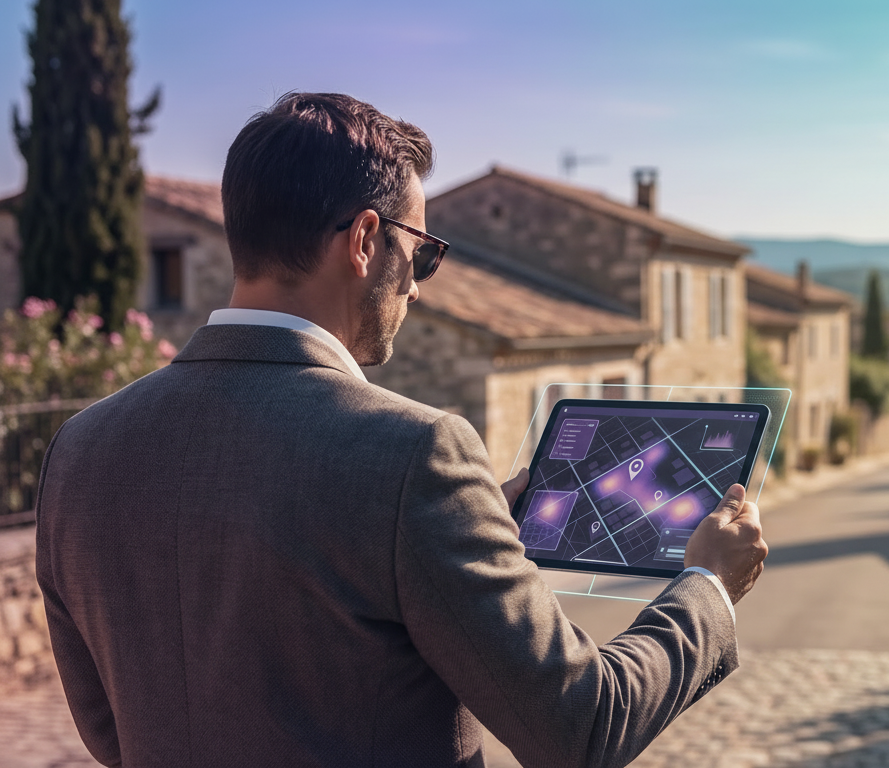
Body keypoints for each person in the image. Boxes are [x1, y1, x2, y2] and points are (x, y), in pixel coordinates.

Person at [34, 92, 767, 768]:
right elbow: (581, 725)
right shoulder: (415, 455)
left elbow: (107, 733)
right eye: (421, 251)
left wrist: (462, 527)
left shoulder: (79, 448)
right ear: (363, 240)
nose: (417, 283)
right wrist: (707, 584)